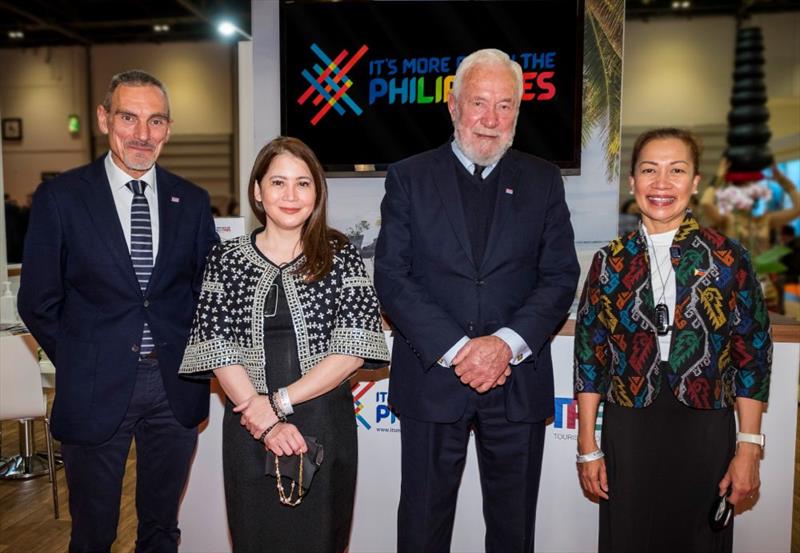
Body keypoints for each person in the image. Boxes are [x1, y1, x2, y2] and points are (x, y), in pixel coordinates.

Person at [374, 48, 579, 553]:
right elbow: (393, 277)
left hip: (517, 386)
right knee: (422, 529)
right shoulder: (408, 177)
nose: (491, 119)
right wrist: (461, 349)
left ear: (519, 110)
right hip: (432, 382)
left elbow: (559, 276)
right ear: (452, 104)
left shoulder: (543, 180)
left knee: (514, 533)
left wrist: (504, 346)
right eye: (479, 103)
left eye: (505, 105)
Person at [17, 70, 218, 552]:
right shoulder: (61, 198)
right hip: (93, 387)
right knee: (94, 533)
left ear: (168, 129)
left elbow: (205, 293)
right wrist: (84, 358)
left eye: (155, 121)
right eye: (129, 117)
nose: (142, 134)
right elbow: (38, 300)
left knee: (162, 527)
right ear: (105, 119)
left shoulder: (191, 201)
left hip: (174, 389)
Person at [178, 136, 390, 553]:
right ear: (258, 192)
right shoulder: (227, 258)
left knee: (321, 539)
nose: (290, 195)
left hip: (323, 419)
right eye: (278, 183)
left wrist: (276, 405)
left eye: (303, 183)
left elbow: (352, 346)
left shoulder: (340, 254)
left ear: (317, 192)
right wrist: (265, 421)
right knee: (255, 537)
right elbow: (217, 344)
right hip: (248, 424)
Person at [574, 128, 772, 553]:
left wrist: (749, 448)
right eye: (649, 170)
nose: (661, 183)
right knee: (628, 536)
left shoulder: (728, 258)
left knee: (698, 538)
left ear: (696, 182)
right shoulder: (609, 262)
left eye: (676, 170)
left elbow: (752, 357)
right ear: (632, 183)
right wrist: (588, 445)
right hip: (629, 424)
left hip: (705, 425)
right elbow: (590, 358)